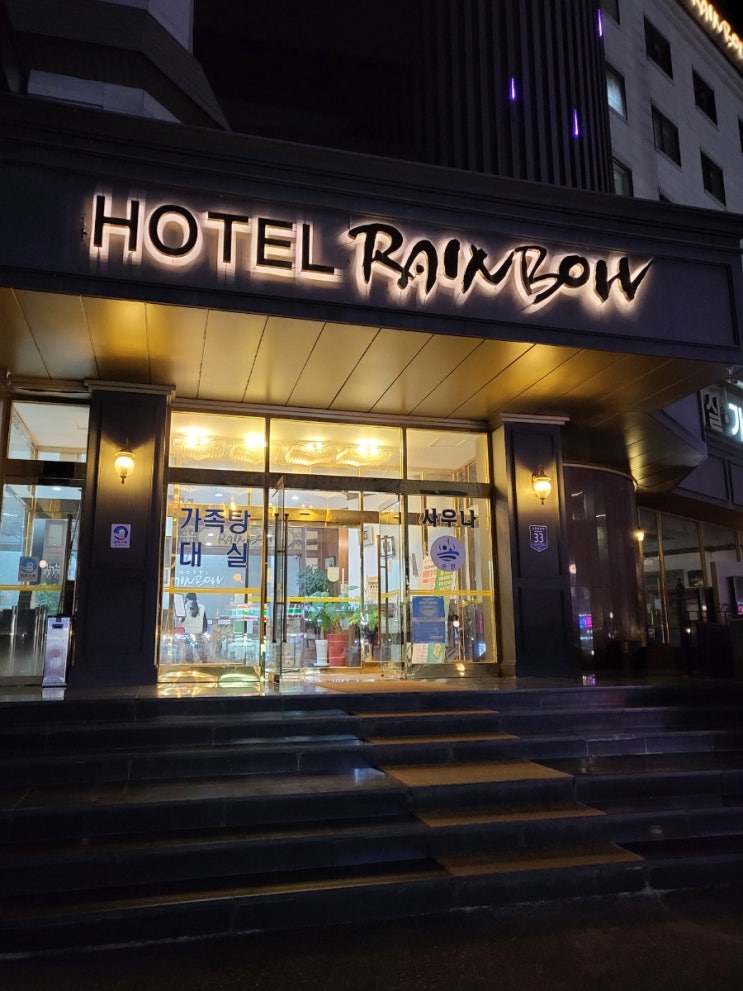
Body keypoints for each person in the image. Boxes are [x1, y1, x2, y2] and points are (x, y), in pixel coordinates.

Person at [182, 592, 208, 660]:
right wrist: (203, 631)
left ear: (187, 599)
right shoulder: (202, 607)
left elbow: (181, 620)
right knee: (199, 646)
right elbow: (204, 621)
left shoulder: (183, 607)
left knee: (188, 646)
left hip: (186, 631)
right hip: (198, 631)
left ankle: (190, 660)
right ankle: (203, 659)